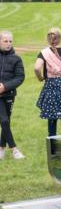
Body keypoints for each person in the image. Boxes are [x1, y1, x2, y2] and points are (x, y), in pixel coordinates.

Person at [0, 30, 25, 160]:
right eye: (5, 41)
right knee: (3, 120)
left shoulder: (16, 59)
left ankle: (1, 149)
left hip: (9, 95)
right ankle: (15, 149)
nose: (8, 43)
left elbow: (20, 77)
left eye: (10, 41)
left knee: (6, 122)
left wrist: (5, 86)